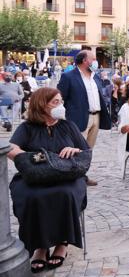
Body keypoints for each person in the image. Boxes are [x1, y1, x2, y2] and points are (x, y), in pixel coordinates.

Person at [7, 88, 89, 273]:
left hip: (67, 175)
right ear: (42, 105)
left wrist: (74, 150)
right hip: (35, 176)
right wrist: (33, 158)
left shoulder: (68, 126)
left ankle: (62, 243)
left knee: (65, 194)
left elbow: (85, 150)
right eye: (55, 102)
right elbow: (10, 147)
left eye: (61, 101)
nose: (61, 106)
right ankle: (40, 246)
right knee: (32, 197)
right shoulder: (27, 127)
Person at [57, 51, 111, 187]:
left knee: (88, 149)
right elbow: (59, 98)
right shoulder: (68, 76)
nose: (96, 61)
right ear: (85, 61)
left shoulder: (95, 77)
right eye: (93, 59)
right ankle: (72, 176)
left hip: (95, 117)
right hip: (78, 117)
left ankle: (82, 175)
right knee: (75, 148)